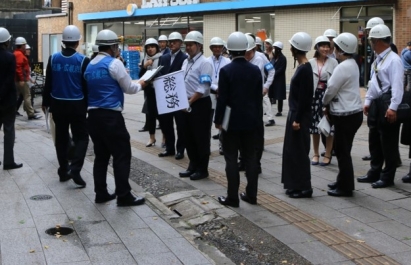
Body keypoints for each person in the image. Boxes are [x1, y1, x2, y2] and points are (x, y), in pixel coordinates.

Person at [85, 29, 147, 206]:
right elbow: (130, 88)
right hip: (111, 117)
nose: (118, 49)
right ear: (112, 46)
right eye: (117, 46)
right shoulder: (114, 64)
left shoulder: (90, 66)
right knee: (121, 154)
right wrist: (143, 83)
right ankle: (124, 195)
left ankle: (101, 193)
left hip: (93, 116)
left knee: (101, 156)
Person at [215, 32, 262, 207]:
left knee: (231, 158)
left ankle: (232, 197)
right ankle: (252, 195)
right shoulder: (255, 70)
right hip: (251, 121)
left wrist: (217, 120)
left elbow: (222, 99)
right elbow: (258, 98)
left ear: (229, 50)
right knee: (250, 158)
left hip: (231, 121)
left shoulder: (226, 71)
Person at [42, 25, 89, 187]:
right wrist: (87, 106)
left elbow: (48, 83)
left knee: (61, 139)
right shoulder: (83, 60)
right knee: (81, 137)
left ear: (63, 41)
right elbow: (86, 86)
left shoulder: (53, 58)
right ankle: (75, 168)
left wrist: (45, 103)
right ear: (77, 42)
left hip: (58, 104)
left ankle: (63, 171)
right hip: (77, 105)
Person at [357, 24, 403, 189]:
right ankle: (374, 172)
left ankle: (387, 176)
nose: (370, 44)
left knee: (388, 142)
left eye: (372, 41)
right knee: (374, 139)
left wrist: (393, 107)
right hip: (377, 103)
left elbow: (397, 86)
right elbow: (372, 83)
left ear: (378, 41)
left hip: (387, 104)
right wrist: (368, 101)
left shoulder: (394, 60)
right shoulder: (378, 58)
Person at [323, 33, 363, 197]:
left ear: (341, 49)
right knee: (343, 150)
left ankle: (345, 187)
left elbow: (331, 89)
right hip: (354, 113)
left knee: (342, 151)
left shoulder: (342, 66)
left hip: (344, 115)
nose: (334, 50)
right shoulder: (352, 63)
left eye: (336, 47)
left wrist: (324, 103)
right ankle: (343, 181)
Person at [282, 32, 314, 198]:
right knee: (292, 150)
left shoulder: (305, 69)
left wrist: (297, 119)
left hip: (299, 115)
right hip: (296, 113)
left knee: (299, 151)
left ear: (295, 49)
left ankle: (304, 187)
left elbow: (305, 98)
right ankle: (294, 184)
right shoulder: (304, 68)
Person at [178, 31, 213, 181]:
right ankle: (192, 165)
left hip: (199, 104)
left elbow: (204, 87)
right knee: (187, 136)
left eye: (191, 45)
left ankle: (202, 169)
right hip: (185, 103)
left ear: (199, 45)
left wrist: (190, 102)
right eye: (186, 45)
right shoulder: (186, 61)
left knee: (201, 137)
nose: (188, 47)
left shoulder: (205, 63)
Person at [157, 32, 188, 160]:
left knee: (181, 125)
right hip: (166, 95)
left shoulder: (185, 58)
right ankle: (169, 148)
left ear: (181, 43)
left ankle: (180, 150)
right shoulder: (163, 58)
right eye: (171, 41)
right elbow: (160, 73)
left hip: (179, 96)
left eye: (175, 41)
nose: (172, 43)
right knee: (166, 123)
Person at [309, 36, 338, 166]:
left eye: (327, 46)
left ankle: (328, 153)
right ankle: (315, 153)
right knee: (315, 127)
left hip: (328, 97)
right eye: (322, 46)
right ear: (317, 47)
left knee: (329, 126)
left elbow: (336, 82)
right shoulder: (311, 62)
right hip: (315, 96)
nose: (325, 49)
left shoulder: (334, 62)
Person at [0, 27, 23, 170]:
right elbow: (9, 80)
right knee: (9, 131)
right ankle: (8, 161)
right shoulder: (10, 57)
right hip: (7, 100)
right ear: (7, 42)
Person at [207, 36, 231, 155]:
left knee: (222, 121)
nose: (217, 49)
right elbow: (205, 79)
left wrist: (222, 89)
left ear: (222, 48)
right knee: (207, 121)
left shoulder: (227, 61)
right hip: (210, 93)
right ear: (211, 48)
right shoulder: (207, 61)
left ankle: (223, 145)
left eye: (219, 47)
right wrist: (216, 88)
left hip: (223, 95)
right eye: (215, 47)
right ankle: (207, 146)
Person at [140, 38, 162, 147]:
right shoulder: (145, 59)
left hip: (160, 91)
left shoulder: (162, 58)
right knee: (151, 115)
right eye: (148, 47)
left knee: (162, 115)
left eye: (152, 47)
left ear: (157, 48)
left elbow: (164, 73)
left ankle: (165, 137)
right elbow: (140, 76)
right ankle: (152, 137)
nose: (150, 49)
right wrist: (144, 66)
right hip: (150, 92)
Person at [14, 37, 41, 120]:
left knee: (20, 96)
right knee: (27, 96)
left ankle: (20, 110)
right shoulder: (19, 55)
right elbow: (18, 68)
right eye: (25, 45)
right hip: (21, 80)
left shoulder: (17, 53)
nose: (26, 47)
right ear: (22, 45)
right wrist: (21, 79)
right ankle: (31, 114)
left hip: (19, 79)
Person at [269, 41, 287, 117]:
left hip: (279, 80)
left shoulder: (283, 58)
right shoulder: (273, 58)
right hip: (272, 79)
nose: (273, 50)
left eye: (275, 48)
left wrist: (273, 73)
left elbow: (282, 69)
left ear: (278, 49)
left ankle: (279, 110)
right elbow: (269, 66)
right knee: (270, 94)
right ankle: (268, 109)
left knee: (279, 96)